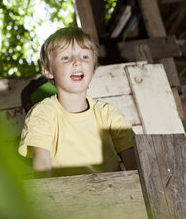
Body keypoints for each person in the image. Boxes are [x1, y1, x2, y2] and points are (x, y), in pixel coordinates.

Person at [18, 27, 137, 177]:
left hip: (114, 194)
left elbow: (134, 165)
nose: (77, 62)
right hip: (67, 197)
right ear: (48, 71)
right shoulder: (42, 114)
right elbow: (42, 170)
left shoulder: (108, 114)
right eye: (66, 57)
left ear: (92, 68)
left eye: (85, 57)